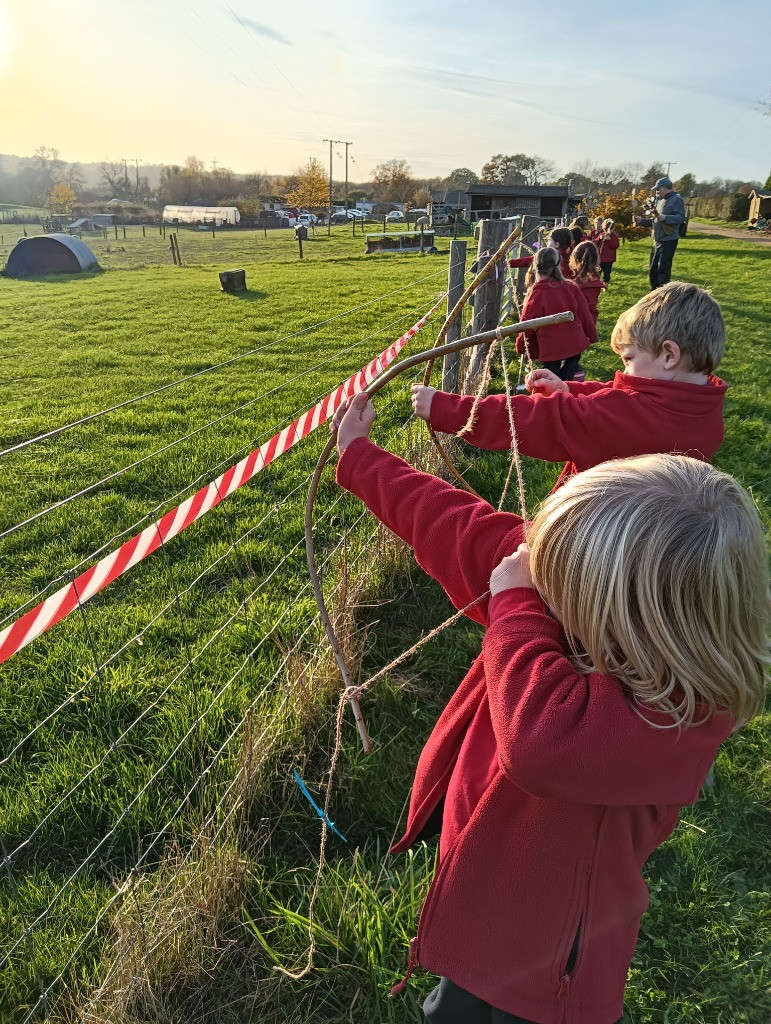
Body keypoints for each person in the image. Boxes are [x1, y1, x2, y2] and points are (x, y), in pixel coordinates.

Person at [331, 395, 769, 1024]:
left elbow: (542, 742)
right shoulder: (568, 593)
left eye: (554, 580)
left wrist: (515, 611)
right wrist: (362, 460)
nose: (534, 580)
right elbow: (459, 526)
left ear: (635, 622)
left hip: (558, 966)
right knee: (452, 1010)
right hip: (482, 904)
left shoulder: (681, 710)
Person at [411, 282, 727, 492]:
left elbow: (540, 418)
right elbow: (618, 400)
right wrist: (570, 391)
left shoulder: (630, 416)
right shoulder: (702, 414)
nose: (623, 369)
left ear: (669, 355)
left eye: (629, 358)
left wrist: (446, 409)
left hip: (586, 539)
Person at [514, 246, 596, 381]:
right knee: (568, 376)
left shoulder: (536, 295)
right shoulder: (570, 287)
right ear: (558, 264)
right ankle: (569, 396)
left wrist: (521, 346)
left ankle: (554, 399)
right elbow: (584, 314)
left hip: (551, 348)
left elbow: (526, 325)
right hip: (574, 342)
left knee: (550, 380)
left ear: (535, 267)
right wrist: (591, 336)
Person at [634, 176, 685, 289]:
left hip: (668, 240)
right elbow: (655, 220)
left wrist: (665, 217)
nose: (656, 191)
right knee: (653, 269)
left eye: (658, 188)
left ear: (666, 188)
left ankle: (663, 294)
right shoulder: (659, 200)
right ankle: (654, 292)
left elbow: (681, 217)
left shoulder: (677, 199)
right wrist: (641, 221)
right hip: (657, 239)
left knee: (663, 269)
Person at [509, 226, 576, 279]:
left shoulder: (550, 256)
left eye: (550, 241)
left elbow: (528, 260)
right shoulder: (572, 258)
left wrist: (509, 263)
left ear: (556, 244)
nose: (547, 243)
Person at [568, 240, 606, 326]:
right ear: (596, 259)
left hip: (574, 323)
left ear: (575, 259)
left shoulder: (573, 285)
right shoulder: (596, 283)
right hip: (590, 321)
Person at [596, 218, 620, 283]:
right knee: (597, 272)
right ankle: (596, 284)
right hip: (600, 258)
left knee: (607, 273)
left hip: (609, 259)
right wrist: (599, 239)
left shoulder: (614, 237)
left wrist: (609, 240)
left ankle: (605, 285)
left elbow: (615, 246)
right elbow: (595, 243)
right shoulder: (601, 235)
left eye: (612, 229)